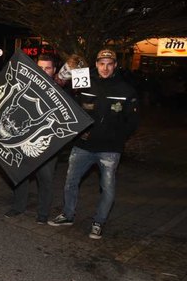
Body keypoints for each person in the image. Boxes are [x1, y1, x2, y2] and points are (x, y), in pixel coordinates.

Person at [48, 49, 139, 239]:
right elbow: (66, 98)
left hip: (110, 150)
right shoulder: (84, 79)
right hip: (83, 145)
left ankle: (99, 222)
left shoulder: (126, 89)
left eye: (109, 64)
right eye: (101, 63)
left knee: (107, 188)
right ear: (96, 64)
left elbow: (132, 122)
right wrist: (65, 76)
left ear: (115, 65)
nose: (105, 68)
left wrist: (117, 139)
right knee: (70, 182)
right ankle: (68, 214)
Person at [4, 54, 60, 224]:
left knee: (46, 178)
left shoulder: (60, 91)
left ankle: (43, 213)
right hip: (23, 139)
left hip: (46, 142)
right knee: (21, 174)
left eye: (47, 68)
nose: (43, 71)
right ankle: (18, 206)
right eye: (40, 67)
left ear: (54, 70)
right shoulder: (26, 85)